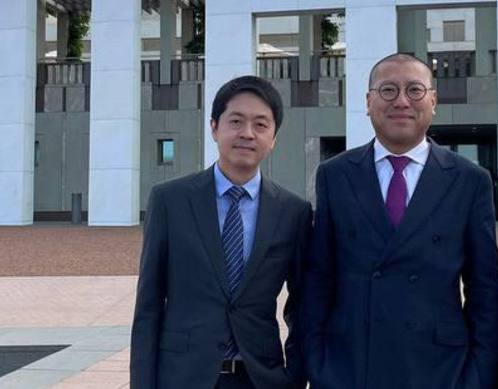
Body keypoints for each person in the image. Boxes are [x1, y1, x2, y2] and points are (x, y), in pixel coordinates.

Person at [304, 53, 498, 389]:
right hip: (351, 367)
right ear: (368, 102)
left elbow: (485, 290)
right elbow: (318, 280)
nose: (402, 101)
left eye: (415, 90)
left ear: (433, 101)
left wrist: (479, 376)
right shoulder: (335, 175)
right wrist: (318, 365)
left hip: (441, 371)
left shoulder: (470, 180)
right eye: (388, 90)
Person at [130, 75, 312, 389]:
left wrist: (293, 377)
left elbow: (303, 307)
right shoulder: (170, 201)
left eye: (260, 125)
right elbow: (148, 305)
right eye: (236, 121)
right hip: (182, 377)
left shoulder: (293, 212)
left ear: (274, 137)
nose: (247, 134)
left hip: (259, 378)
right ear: (214, 127)